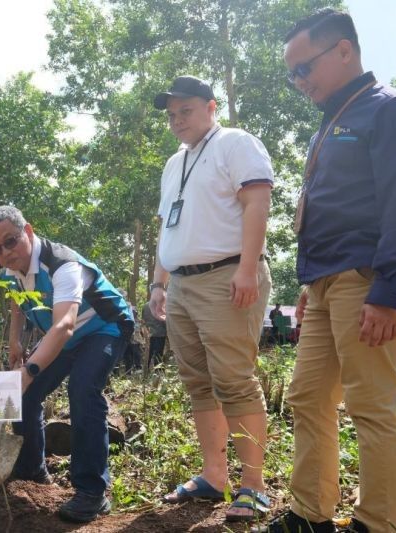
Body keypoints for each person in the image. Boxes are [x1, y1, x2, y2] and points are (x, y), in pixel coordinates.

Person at [258, 9, 396, 533]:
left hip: (370, 275)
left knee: (370, 403)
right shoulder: (332, 121)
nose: (298, 82)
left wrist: (388, 290)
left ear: (344, 51)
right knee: (307, 396)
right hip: (326, 281)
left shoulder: (392, 111)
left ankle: (380, 523)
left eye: (304, 68)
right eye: (292, 74)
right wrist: (309, 284)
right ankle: (310, 515)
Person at [147, 75, 274, 522]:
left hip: (227, 276)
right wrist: (159, 283)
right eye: (171, 114)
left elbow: (257, 202)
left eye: (186, 111)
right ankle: (213, 475)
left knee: (234, 380)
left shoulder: (235, 144)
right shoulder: (173, 163)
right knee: (199, 383)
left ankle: (254, 485)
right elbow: (168, 226)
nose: (177, 120)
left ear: (211, 107)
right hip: (181, 285)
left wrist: (247, 268)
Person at [0, 205, 133, 523]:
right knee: (23, 393)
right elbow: (17, 300)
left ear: (29, 232)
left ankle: (92, 491)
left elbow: (64, 326)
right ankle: (31, 471)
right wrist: (15, 340)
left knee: (82, 390)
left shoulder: (64, 265)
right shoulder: (10, 270)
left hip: (104, 327)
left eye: (11, 241)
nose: (6, 253)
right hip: (65, 335)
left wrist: (30, 370)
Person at [141, 300, 167, 373]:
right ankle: (158, 371)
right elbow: (164, 319)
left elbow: (143, 319)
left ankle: (147, 370)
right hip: (160, 333)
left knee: (149, 352)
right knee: (159, 353)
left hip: (149, 333)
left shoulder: (145, 305)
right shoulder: (160, 305)